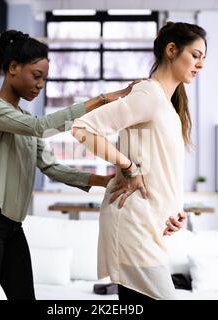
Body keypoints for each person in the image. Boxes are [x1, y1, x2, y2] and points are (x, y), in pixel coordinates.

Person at [0, 30, 139, 300]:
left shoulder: (24, 119)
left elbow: (52, 167)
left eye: (44, 79)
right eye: (36, 76)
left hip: (12, 226)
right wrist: (102, 98)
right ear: (13, 68)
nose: (40, 85)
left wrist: (105, 180)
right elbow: (41, 127)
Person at [71, 22, 207, 300]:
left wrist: (175, 211)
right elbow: (82, 128)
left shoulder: (166, 106)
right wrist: (128, 167)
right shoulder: (149, 94)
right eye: (196, 55)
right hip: (133, 224)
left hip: (150, 227)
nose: (200, 65)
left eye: (203, 58)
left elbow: (156, 165)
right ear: (172, 50)